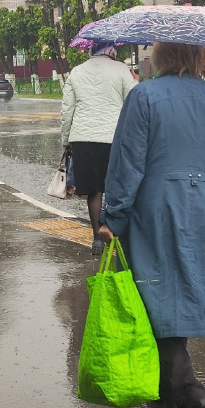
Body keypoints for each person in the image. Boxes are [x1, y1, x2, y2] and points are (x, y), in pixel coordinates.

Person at [97, 41, 205, 408]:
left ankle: (188, 389)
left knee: (152, 297)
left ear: (162, 57)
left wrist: (112, 219)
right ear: (202, 58)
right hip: (203, 212)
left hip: (156, 209)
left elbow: (127, 163)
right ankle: (170, 395)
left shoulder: (144, 96)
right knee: (181, 293)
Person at [60, 42, 136, 255]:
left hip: (83, 138)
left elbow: (67, 109)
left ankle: (97, 239)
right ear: (111, 50)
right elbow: (134, 100)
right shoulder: (121, 69)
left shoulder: (77, 71)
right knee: (115, 187)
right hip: (114, 137)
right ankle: (113, 231)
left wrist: (66, 139)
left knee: (94, 189)